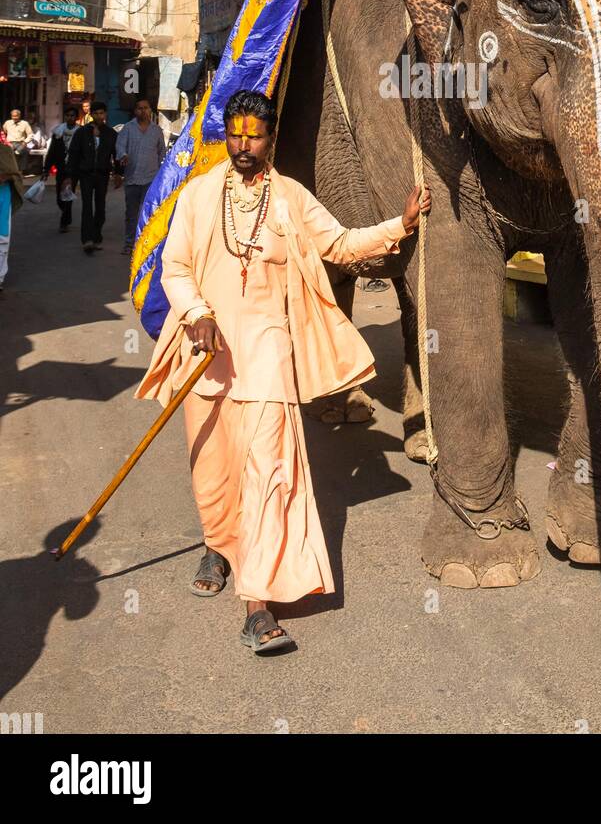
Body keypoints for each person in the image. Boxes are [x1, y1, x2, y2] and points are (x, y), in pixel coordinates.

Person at [134, 88, 431, 654]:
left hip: (268, 358)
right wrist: (195, 313)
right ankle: (219, 546)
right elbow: (174, 269)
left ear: (271, 139)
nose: (244, 145)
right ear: (226, 135)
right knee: (214, 469)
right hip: (208, 357)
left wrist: (400, 223)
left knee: (271, 472)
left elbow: (341, 245)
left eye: (256, 135)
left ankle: (259, 605)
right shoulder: (198, 197)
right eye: (236, 134)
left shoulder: (292, 198)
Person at [63, 101, 122, 254]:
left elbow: (117, 155)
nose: (99, 116)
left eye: (101, 113)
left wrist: (118, 174)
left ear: (105, 114)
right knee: (87, 207)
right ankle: (87, 240)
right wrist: (69, 175)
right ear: (91, 115)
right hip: (86, 175)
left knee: (100, 208)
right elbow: (74, 154)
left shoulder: (110, 133)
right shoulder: (81, 133)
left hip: (102, 175)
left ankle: (97, 237)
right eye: (96, 113)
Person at [115, 99, 166, 254]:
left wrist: (162, 176)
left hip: (151, 179)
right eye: (139, 108)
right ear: (135, 111)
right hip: (132, 179)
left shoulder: (157, 130)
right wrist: (123, 156)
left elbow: (161, 153)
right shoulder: (128, 129)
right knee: (131, 214)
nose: (143, 111)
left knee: (150, 213)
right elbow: (120, 147)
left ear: (151, 110)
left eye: (146, 108)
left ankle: (146, 243)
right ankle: (129, 244)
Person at [44, 106, 81, 233]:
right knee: (60, 198)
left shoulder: (80, 132)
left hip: (74, 169)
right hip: (61, 167)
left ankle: (64, 222)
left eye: (72, 115)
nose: (70, 117)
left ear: (77, 117)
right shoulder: (58, 132)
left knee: (68, 194)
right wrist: (46, 169)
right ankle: (67, 216)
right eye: (68, 115)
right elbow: (52, 151)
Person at [0, 140, 24, 293]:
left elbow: (15, 175)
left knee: (2, 238)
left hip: (2, 198)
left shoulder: (6, 151)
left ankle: (0, 277)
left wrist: (4, 176)